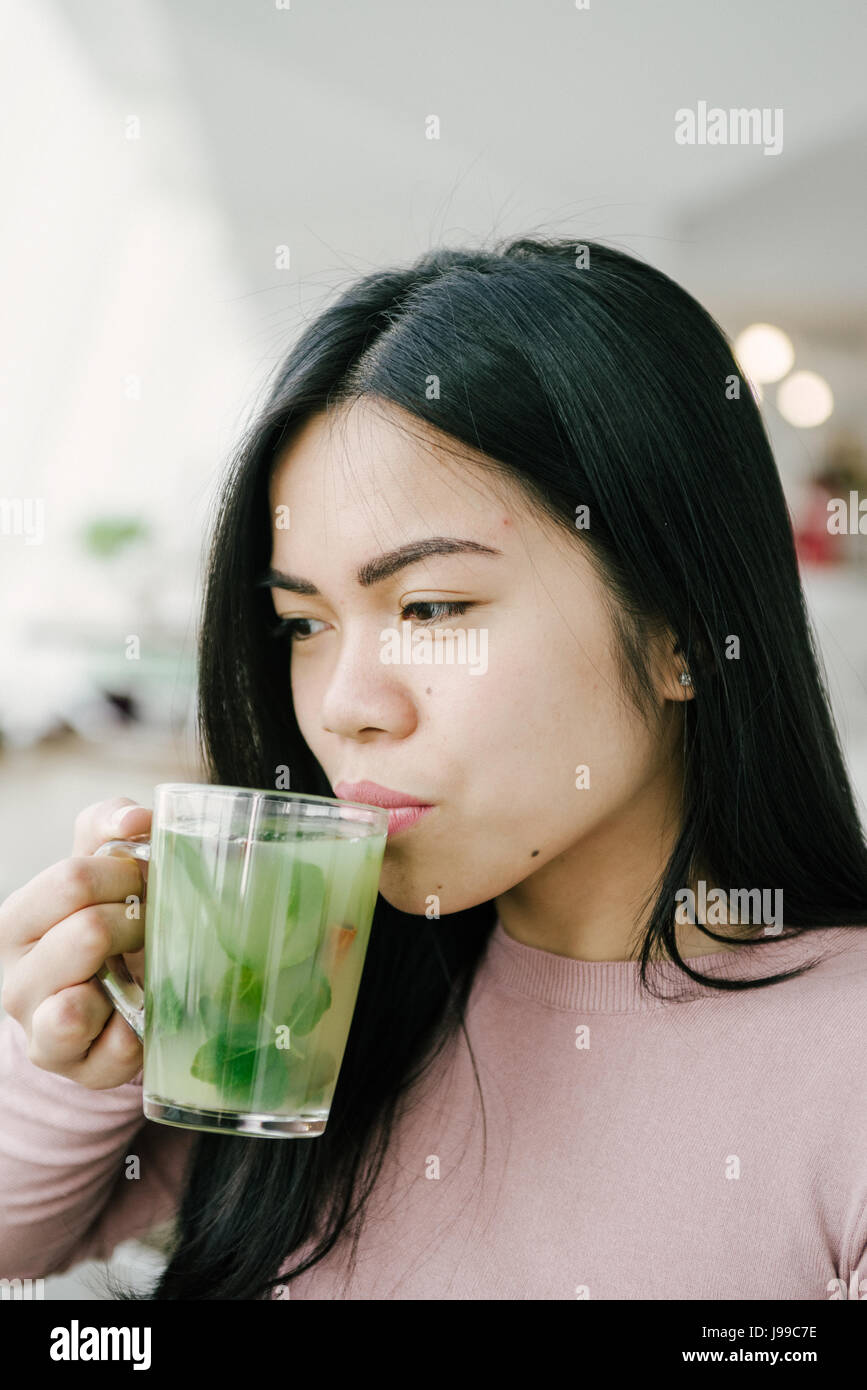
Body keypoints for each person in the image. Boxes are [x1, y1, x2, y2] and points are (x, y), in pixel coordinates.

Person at [1, 237, 865, 1301]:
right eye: (302, 622)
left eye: (431, 608)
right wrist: (79, 1065)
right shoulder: (307, 996)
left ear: (681, 629)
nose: (345, 706)